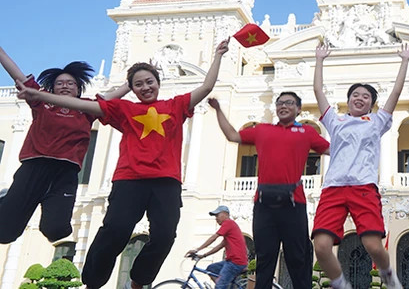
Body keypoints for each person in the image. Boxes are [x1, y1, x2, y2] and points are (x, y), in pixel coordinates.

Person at [17, 38, 230, 289]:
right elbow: (82, 106)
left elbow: (206, 87)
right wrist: (40, 96)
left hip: (166, 183)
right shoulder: (124, 109)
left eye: (149, 82)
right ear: (133, 89)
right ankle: (93, 281)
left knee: (164, 236)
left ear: (158, 83)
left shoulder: (175, 105)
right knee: (116, 230)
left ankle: (138, 281)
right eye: (138, 84)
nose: (145, 87)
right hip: (130, 180)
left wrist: (218, 55)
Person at [0, 46, 128, 244]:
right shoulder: (42, 103)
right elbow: (18, 75)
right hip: (34, 167)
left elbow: (112, 98)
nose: (65, 86)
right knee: (5, 234)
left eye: (70, 83)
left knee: (57, 230)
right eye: (60, 83)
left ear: (78, 89)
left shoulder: (87, 109)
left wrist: (132, 81)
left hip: (65, 173)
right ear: (52, 88)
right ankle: (6, 202)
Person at [311, 43, 409, 289]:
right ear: (348, 100)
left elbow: (395, 94)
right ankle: (341, 285)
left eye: (365, 96)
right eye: (355, 95)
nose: (360, 98)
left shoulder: (376, 122)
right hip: (333, 188)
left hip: (363, 187)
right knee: (321, 246)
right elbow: (317, 90)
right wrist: (319, 59)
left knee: (373, 246)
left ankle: (388, 274)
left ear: (371, 104)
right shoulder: (336, 121)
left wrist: (404, 61)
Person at [210, 92, 329, 289]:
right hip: (264, 204)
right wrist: (218, 110)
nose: (284, 106)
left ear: (298, 109)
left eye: (289, 103)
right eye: (280, 103)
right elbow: (232, 135)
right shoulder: (262, 130)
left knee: (298, 259)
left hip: (294, 203)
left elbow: (332, 150)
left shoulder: (307, 132)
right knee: (265, 260)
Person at [186, 205, 248, 289]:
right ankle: (225, 286)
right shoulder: (230, 230)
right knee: (211, 269)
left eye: (217, 215)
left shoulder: (228, 223)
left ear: (225, 214)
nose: (216, 218)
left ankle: (222, 286)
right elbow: (219, 246)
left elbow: (213, 238)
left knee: (220, 286)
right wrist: (203, 255)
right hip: (232, 261)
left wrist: (197, 249)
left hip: (235, 262)